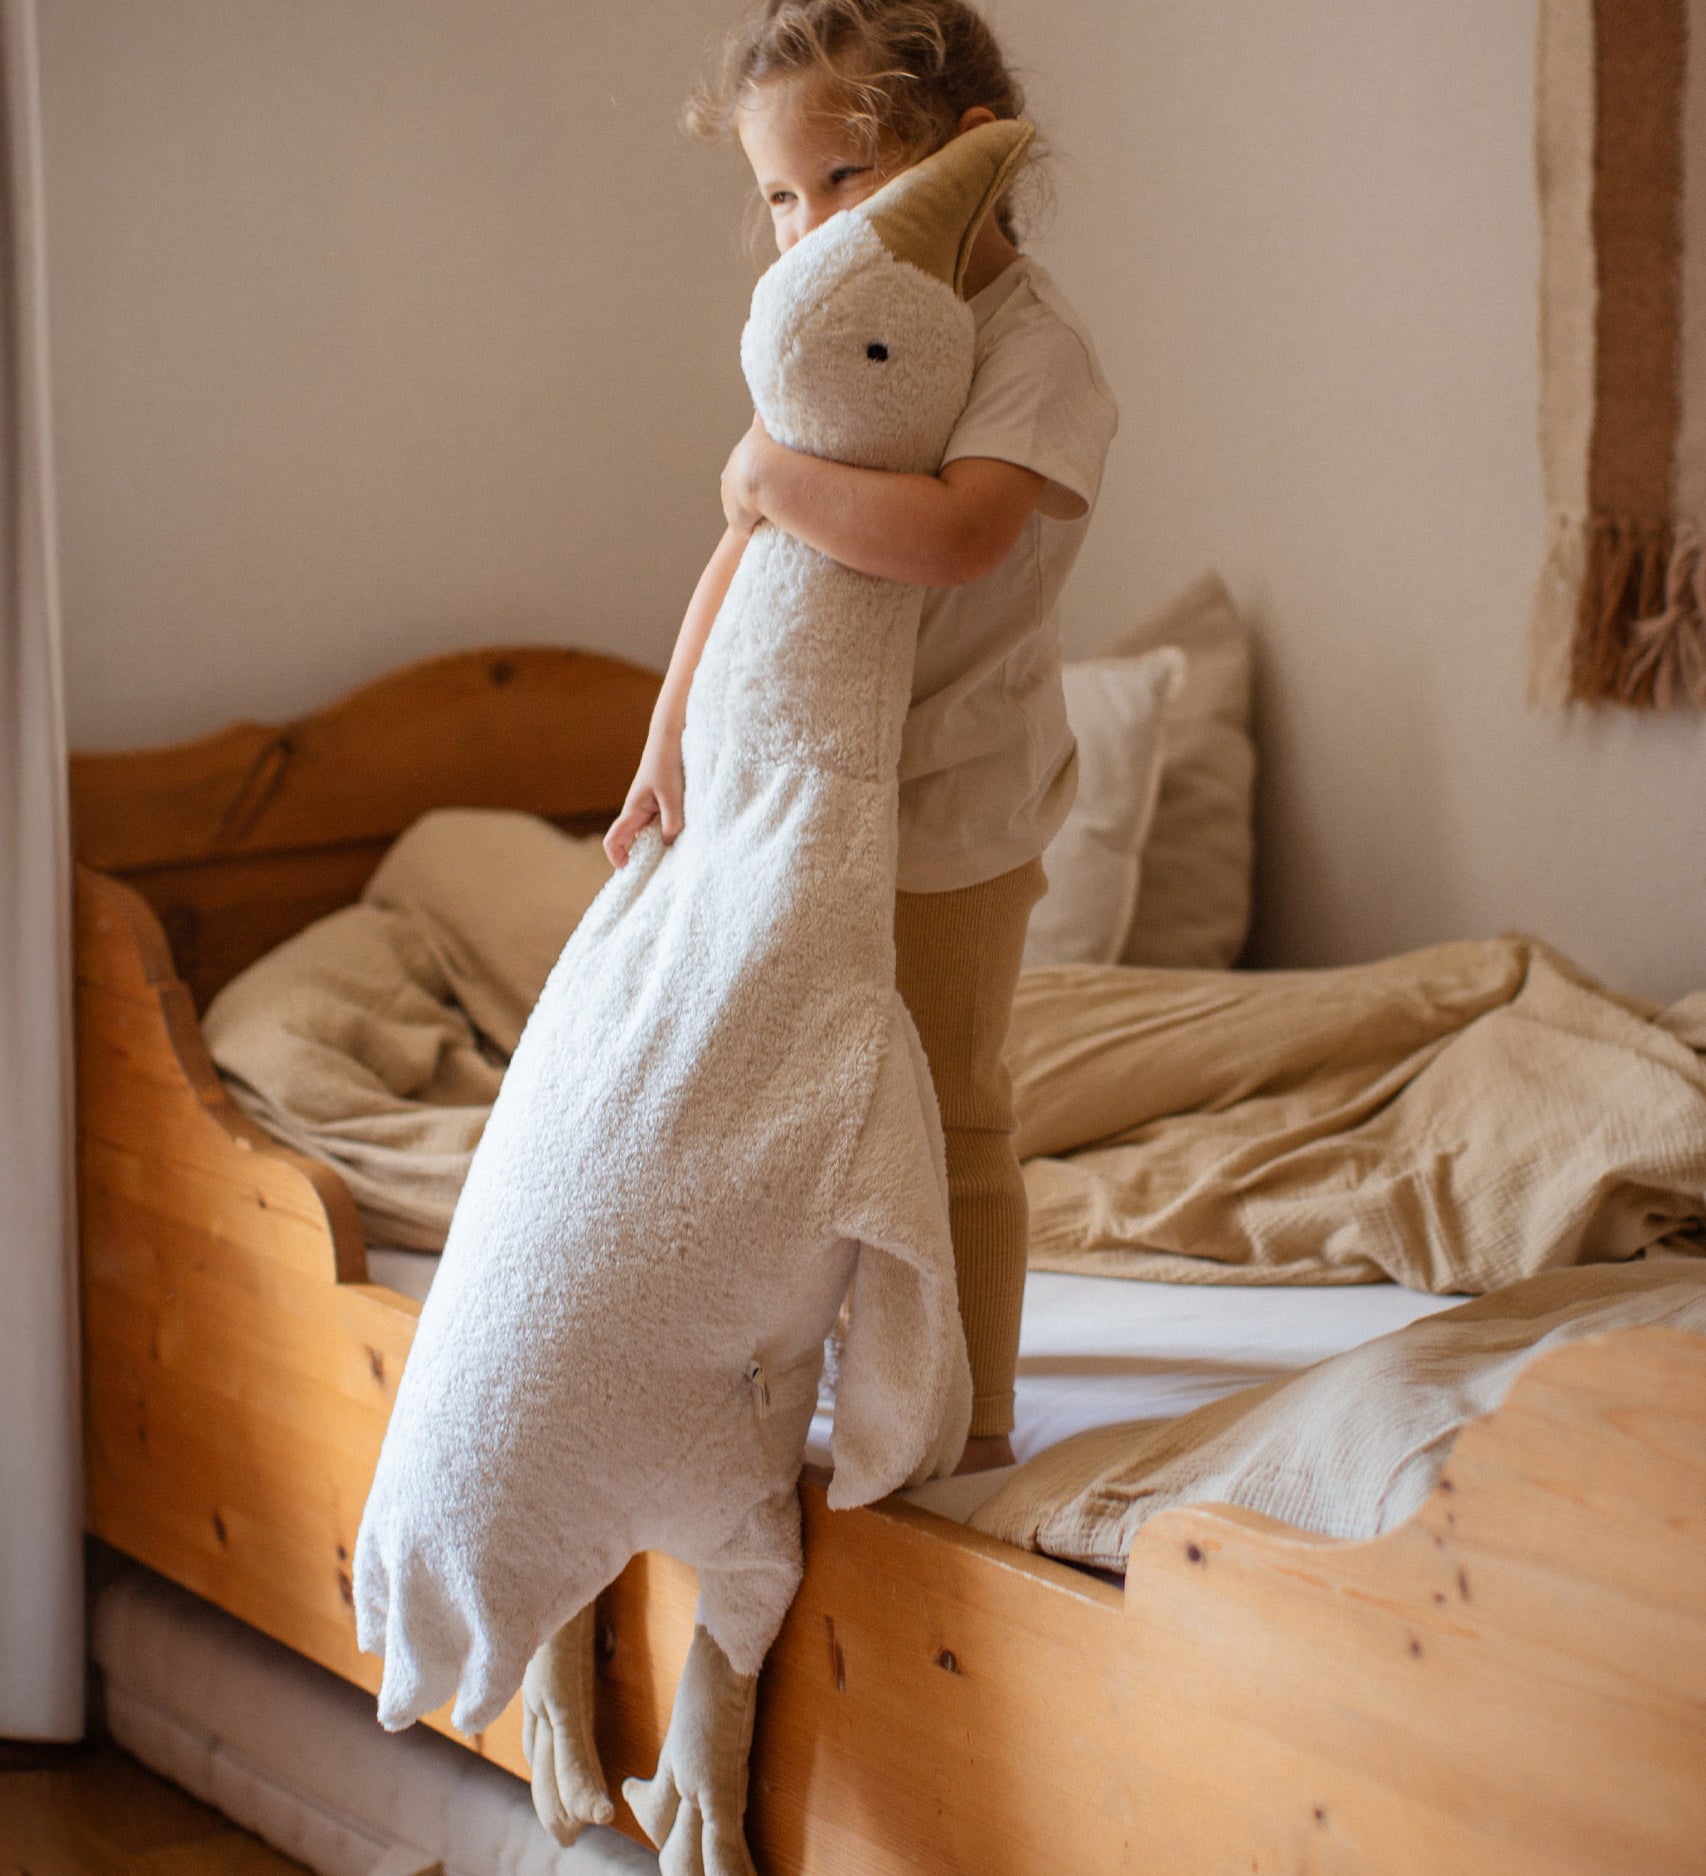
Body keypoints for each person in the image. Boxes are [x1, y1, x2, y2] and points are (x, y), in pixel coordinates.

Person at [605, 0, 1117, 1473]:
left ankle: (981, 1415)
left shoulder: (1034, 351)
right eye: (781, 195)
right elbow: (742, 557)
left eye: (845, 177)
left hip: (952, 810)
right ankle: (801, 1380)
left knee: (947, 1111)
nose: (809, 225)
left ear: (970, 156)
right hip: (808, 809)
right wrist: (666, 736)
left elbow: (958, 534)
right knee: (799, 1109)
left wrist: (771, 475)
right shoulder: (833, 342)